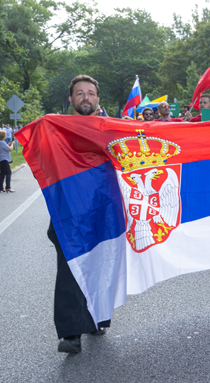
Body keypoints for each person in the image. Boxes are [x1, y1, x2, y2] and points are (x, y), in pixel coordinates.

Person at [50, 75, 111, 354]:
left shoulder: (109, 128)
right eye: (80, 93)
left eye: (90, 93)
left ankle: (97, 317)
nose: (85, 97)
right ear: (71, 100)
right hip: (68, 211)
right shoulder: (56, 128)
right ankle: (71, 333)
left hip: (104, 208)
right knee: (70, 268)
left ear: (98, 99)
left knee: (100, 264)